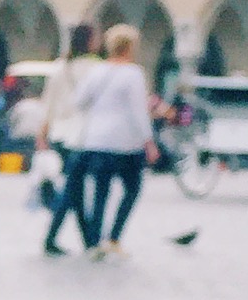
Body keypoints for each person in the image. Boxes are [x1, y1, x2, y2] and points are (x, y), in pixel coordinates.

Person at [72, 22, 158, 259]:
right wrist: (148, 141)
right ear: (129, 47)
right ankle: (113, 237)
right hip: (125, 144)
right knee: (132, 189)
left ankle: (94, 242)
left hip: (97, 140)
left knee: (100, 193)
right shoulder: (133, 74)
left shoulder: (96, 71)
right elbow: (138, 111)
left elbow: (79, 100)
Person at [39, 22, 103, 256]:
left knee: (73, 188)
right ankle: (77, 240)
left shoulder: (59, 68)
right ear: (89, 41)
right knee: (72, 189)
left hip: (59, 134)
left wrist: (42, 133)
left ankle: (82, 240)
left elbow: (48, 104)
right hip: (83, 135)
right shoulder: (97, 69)